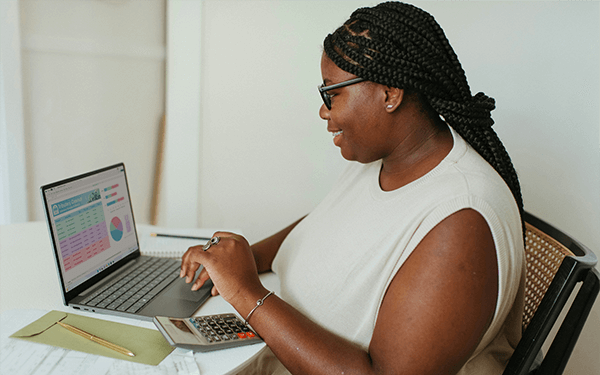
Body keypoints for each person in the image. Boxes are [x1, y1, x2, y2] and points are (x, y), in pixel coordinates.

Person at [179, 2, 525, 374]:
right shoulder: (384, 160)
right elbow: (322, 229)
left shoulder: (461, 222)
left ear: (390, 93)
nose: (324, 112)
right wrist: (243, 260)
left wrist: (246, 292)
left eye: (332, 94)